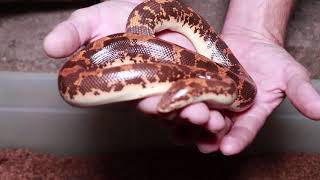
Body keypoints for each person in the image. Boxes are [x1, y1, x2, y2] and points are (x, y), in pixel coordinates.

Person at [43, 0, 320, 155]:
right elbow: (139, 34)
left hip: (216, 81)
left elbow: (238, 91)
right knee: (141, 22)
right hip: (142, 35)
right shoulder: (140, 30)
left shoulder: (241, 89)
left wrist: (257, 30)